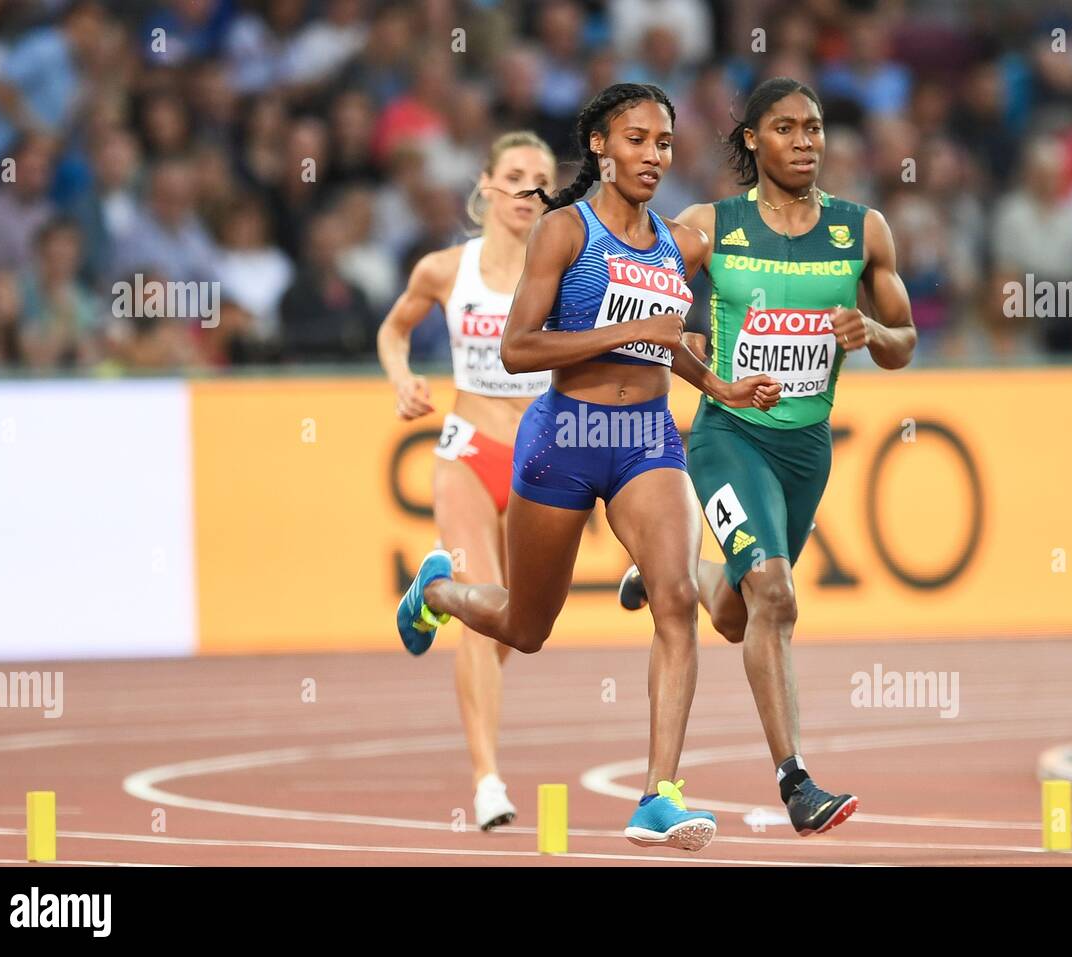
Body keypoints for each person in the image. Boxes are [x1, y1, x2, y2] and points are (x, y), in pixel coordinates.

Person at [396, 83, 780, 851]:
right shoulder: (563, 233)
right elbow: (518, 348)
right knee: (526, 627)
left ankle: (658, 795)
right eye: (637, 139)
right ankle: (437, 588)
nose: (653, 155)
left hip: (646, 437)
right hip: (564, 434)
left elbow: (666, 338)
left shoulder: (673, 241)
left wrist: (718, 384)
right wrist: (617, 333)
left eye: (665, 143)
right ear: (602, 148)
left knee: (676, 598)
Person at [619, 76, 916, 836]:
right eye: (786, 128)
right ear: (752, 140)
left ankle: (676, 575)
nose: (806, 140)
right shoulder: (707, 226)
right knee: (777, 598)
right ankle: (796, 783)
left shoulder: (863, 230)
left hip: (805, 450)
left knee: (732, 613)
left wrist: (871, 335)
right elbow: (655, 319)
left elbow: (903, 340)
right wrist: (704, 365)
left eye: (814, 127)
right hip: (728, 435)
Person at [377, 131, 556, 830]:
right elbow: (394, 330)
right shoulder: (446, 269)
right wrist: (402, 380)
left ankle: (430, 594)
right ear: (485, 185)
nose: (526, 191)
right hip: (468, 451)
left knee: (520, 624)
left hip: (543, 462)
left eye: (541, 179)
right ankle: (487, 780)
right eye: (513, 176)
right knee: (483, 621)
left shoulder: (570, 275)